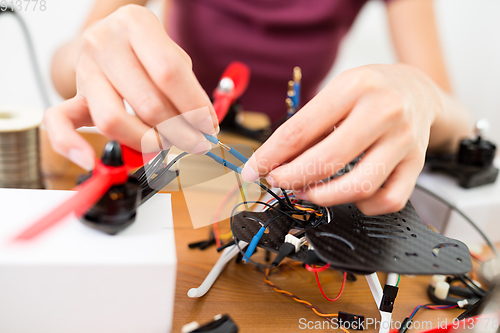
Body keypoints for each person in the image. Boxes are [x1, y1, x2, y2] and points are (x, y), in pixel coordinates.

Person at [46, 0, 470, 216]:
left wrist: (420, 94)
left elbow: (457, 120)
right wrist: (90, 51)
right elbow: (70, 66)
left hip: (293, 170)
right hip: (180, 176)